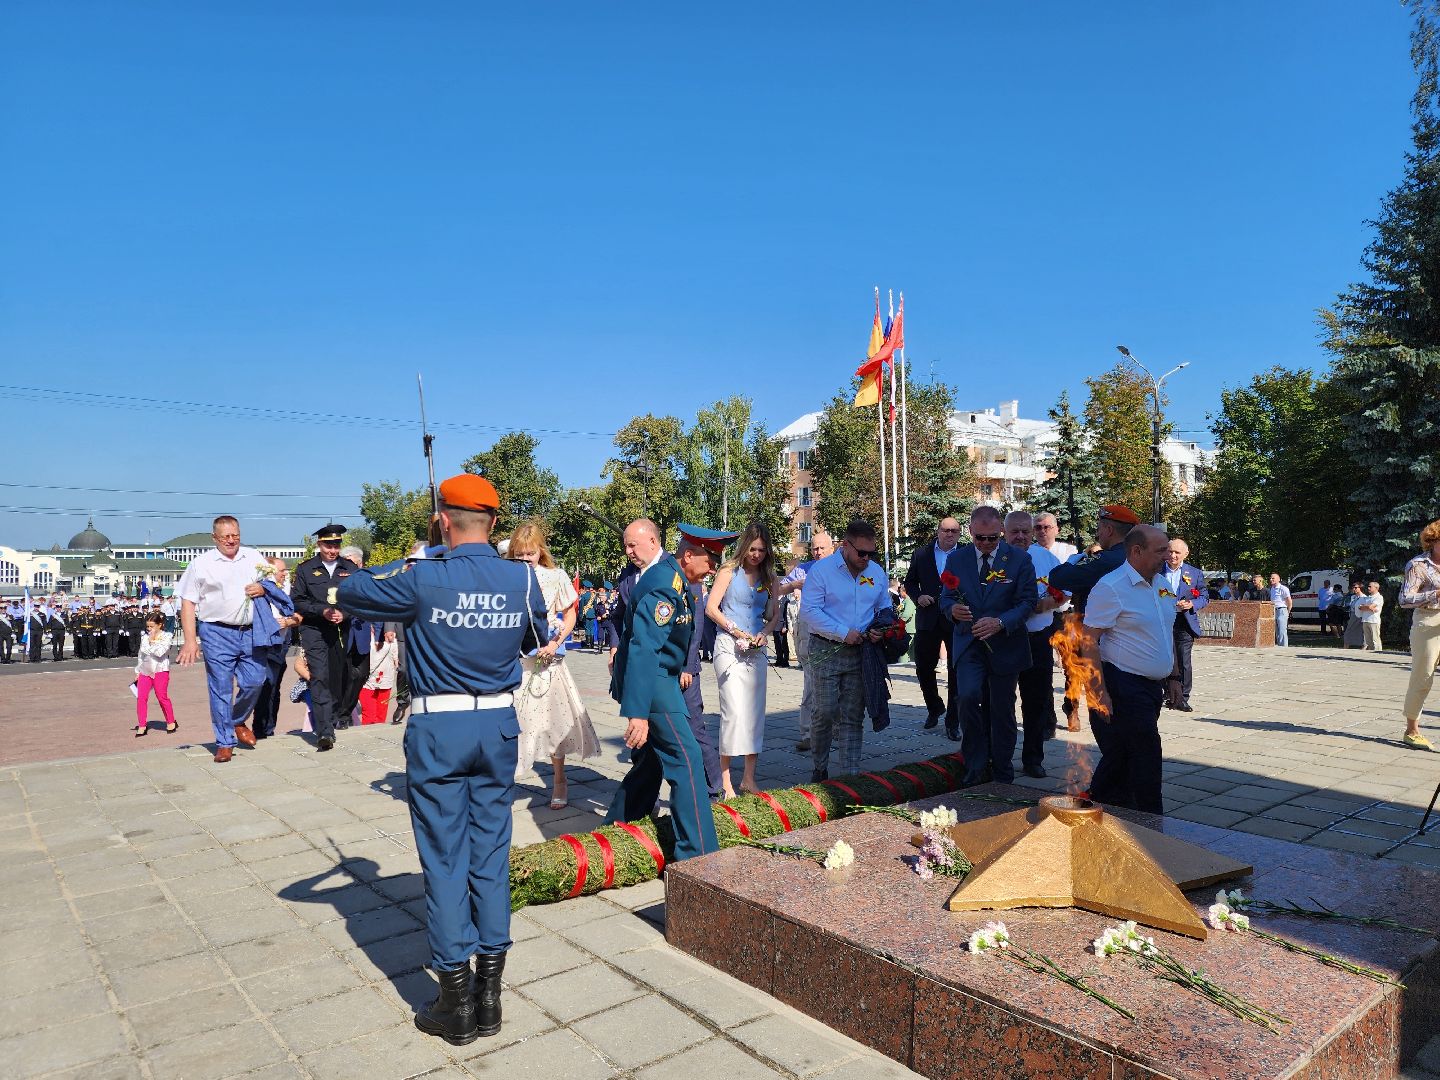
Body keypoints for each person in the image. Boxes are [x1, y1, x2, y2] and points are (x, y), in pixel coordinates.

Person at [336, 474, 547, 1046]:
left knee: (446, 858)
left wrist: (424, 556)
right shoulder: (524, 578)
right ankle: (490, 997)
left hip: (440, 729)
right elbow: (534, 640)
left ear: (443, 521)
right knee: (491, 854)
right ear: (496, 524)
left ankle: (454, 1004)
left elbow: (349, 590)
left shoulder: (421, 576)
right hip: (498, 724)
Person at [603, 523, 727, 861]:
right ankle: (697, 854)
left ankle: (616, 824)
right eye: (711, 558)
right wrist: (639, 713)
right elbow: (644, 649)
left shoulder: (676, 579)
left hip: (663, 678)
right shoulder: (664, 585)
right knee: (687, 760)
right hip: (654, 682)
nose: (714, 566)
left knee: (654, 761)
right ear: (689, 554)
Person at [938, 505, 1038, 784]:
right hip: (969, 644)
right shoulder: (957, 559)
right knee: (968, 698)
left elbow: (1027, 602)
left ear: (1001, 533)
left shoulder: (1018, 559)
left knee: (1002, 708)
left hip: (1005, 645)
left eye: (992, 538)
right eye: (980, 538)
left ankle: (1003, 768)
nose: (985, 544)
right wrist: (952, 610)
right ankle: (975, 764)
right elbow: (946, 597)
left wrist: (1001, 622)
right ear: (970, 532)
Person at [504, 520, 600, 809]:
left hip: (547, 661)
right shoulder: (504, 577)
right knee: (515, 724)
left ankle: (559, 779)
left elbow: (569, 614)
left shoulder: (555, 576)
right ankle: (507, 778)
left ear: (540, 552)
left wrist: (555, 642)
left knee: (553, 723)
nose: (525, 560)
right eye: (519, 554)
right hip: (515, 662)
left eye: (529, 554)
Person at [1082, 525, 1175, 814]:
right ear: (1136, 551)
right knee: (1146, 752)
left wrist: (1173, 676)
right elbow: (1088, 641)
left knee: (1122, 756)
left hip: (1150, 687)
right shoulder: (1111, 586)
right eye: (1160, 551)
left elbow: (1164, 632)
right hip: (1122, 683)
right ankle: (1151, 820)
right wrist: (1099, 692)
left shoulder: (1162, 584)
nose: (1168, 556)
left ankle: (1095, 804)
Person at [800, 519, 894, 782]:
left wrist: (880, 627)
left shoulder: (875, 572)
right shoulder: (823, 571)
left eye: (871, 553)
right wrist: (843, 632)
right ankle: (820, 767)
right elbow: (809, 611)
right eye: (861, 553)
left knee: (853, 715)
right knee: (825, 711)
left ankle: (850, 776)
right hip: (826, 648)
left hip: (860, 652)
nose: (866, 558)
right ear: (845, 546)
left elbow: (884, 606)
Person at [175, 515, 272, 763]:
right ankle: (225, 742)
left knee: (255, 681)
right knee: (220, 687)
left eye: (235, 535)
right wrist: (190, 641)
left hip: (251, 631)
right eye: (226, 536)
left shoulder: (254, 557)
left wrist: (263, 588)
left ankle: (237, 719)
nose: (231, 541)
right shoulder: (201, 564)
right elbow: (188, 602)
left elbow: (272, 586)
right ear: (214, 538)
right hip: (216, 632)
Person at [1047, 505, 1139, 726]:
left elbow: (1057, 577)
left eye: (1100, 528)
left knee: (1104, 709)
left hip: (1101, 640)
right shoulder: (1138, 557)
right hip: (1134, 644)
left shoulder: (1105, 560)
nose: (1098, 534)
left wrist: (1076, 559)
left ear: (1108, 529)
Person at [707, 521, 778, 800]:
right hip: (729, 647)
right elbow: (712, 608)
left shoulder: (770, 577)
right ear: (744, 546)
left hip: (755, 651)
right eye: (752, 549)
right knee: (734, 712)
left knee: (754, 713)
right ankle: (725, 780)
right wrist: (734, 629)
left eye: (761, 550)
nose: (756, 555)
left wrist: (763, 632)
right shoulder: (728, 571)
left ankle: (749, 778)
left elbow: (774, 616)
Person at [1004, 511, 1065, 778]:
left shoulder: (1046, 558)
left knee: (1037, 701)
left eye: (1025, 532)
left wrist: (1047, 603)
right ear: (1005, 533)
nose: (1020, 537)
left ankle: (1033, 758)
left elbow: (1064, 592)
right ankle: (1002, 757)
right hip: (1005, 638)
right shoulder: (996, 558)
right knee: (1003, 701)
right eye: (1014, 532)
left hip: (1037, 638)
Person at [290, 524, 361, 752]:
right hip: (314, 630)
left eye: (336, 545)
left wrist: (345, 613)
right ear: (319, 545)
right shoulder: (306, 569)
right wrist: (321, 611)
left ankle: (332, 718)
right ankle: (325, 732)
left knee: (338, 679)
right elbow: (298, 600)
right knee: (319, 676)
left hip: (340, 631)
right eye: (328, 545)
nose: (332, 549)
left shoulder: (349, 568)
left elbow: (359, 598)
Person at [903, 516, 963, 733]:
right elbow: (909, 582)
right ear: (938, 532)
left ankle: (953, 721)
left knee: (956, 670)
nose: (949, 534)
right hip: (928, 617)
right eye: (945, 530)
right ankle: (934, 707)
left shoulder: (966, 553)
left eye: (954, 531)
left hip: (956, 619)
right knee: (923, 667)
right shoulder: (922, 553)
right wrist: (918, 596)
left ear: (959, 533)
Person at [776, 530, 834, 753]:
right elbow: (778, 589)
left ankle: (836, 729)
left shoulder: (843, 568)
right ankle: (808, 734)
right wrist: (794, 585)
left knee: (838, 684)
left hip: (837, 633)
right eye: (815, 548)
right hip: (809, 633)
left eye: (822, 548)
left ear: (832, 548)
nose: (818, 552)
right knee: (811, 683)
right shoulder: (803, 569)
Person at [1399, 518, 1440, 751]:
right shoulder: (1418, 565)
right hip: (1428, 619)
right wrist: (1436, 594)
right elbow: (1404, 599)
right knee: (1423, 677)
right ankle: (1411, 730)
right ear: (1433, 541)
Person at [252, 557, 300, 740]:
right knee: (265, 687)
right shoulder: (259, 591)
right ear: (270, 572)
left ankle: (269, 728)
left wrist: (288, 621)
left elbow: (297, 615)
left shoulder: (286, 591)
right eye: (282, 571)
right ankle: (259, 729)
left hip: (281, 645)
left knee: (274, 688)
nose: (285, 574)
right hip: (265, 646)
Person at [1161, 538, 1209, 712]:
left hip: (1184, 621)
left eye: (1177, 553)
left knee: (1183, 660)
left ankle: (1183, 697)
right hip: (1161, 620)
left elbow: (1204, 597)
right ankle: (1166, 693)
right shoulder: (1156, 570)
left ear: (1186, 554)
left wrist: (1192, 604)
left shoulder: (1194, 573)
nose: (1173, 556)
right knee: (1163, 657)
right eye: (1170, 551)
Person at [134, 611, 177, 736]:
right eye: (147, 626)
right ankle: (142, 725)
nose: (149, 629)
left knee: (161, 697)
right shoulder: (144, 637)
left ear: (160, 625)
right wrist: (137, 671)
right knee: (141, 697)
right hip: (145, 670)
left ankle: (171, 721)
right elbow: (141, 654)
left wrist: (152, 642)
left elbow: (160, 652)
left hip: (160, 670)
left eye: (151, 626)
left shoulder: (167, 636)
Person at [360, 628, 398, 724]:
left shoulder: (390, 632)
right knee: (369, 716)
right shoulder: (362, 631)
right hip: (366, 681)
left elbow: (396, 659)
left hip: (385, 680)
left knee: (381, 717)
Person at [1357, 581, 1385, 651]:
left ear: (1376, 588)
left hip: (1374, 621)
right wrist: (1368, 607)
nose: (1368, 588)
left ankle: (1379, 654)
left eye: (1370, 586)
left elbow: (1371, 606)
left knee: (1375, 640)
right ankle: (1371, 655)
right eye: (1368, 586)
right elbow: (1360, 607)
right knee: (1368, 640)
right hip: (1365, 620)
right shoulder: (1367, 597)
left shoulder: (1379, 597)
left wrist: (1367, 607)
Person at [1269, 573, 1293, 647]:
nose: (1271, 580)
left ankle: (1284, 647)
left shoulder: (1283, 588)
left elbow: (1289, 601)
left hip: (1282, 609)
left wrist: (1288, 611)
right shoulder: (1272, 588)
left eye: (1273, 578)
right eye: (1270, 578)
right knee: (1276, 630)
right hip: (1273, 610)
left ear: (1278, 579)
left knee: (1282, 630)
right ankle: (1279, 646)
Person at [1343, 582, 1366, 648]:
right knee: (1348, 631)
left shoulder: (1364, 598)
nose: (1354, 589)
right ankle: (1346, 646)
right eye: (1353, 587)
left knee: (1361, 632)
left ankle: (1364, 647)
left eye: (1356, 588)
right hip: (1353, 615)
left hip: (1360, 616)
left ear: (1360, 588)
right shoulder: (1353, 597)